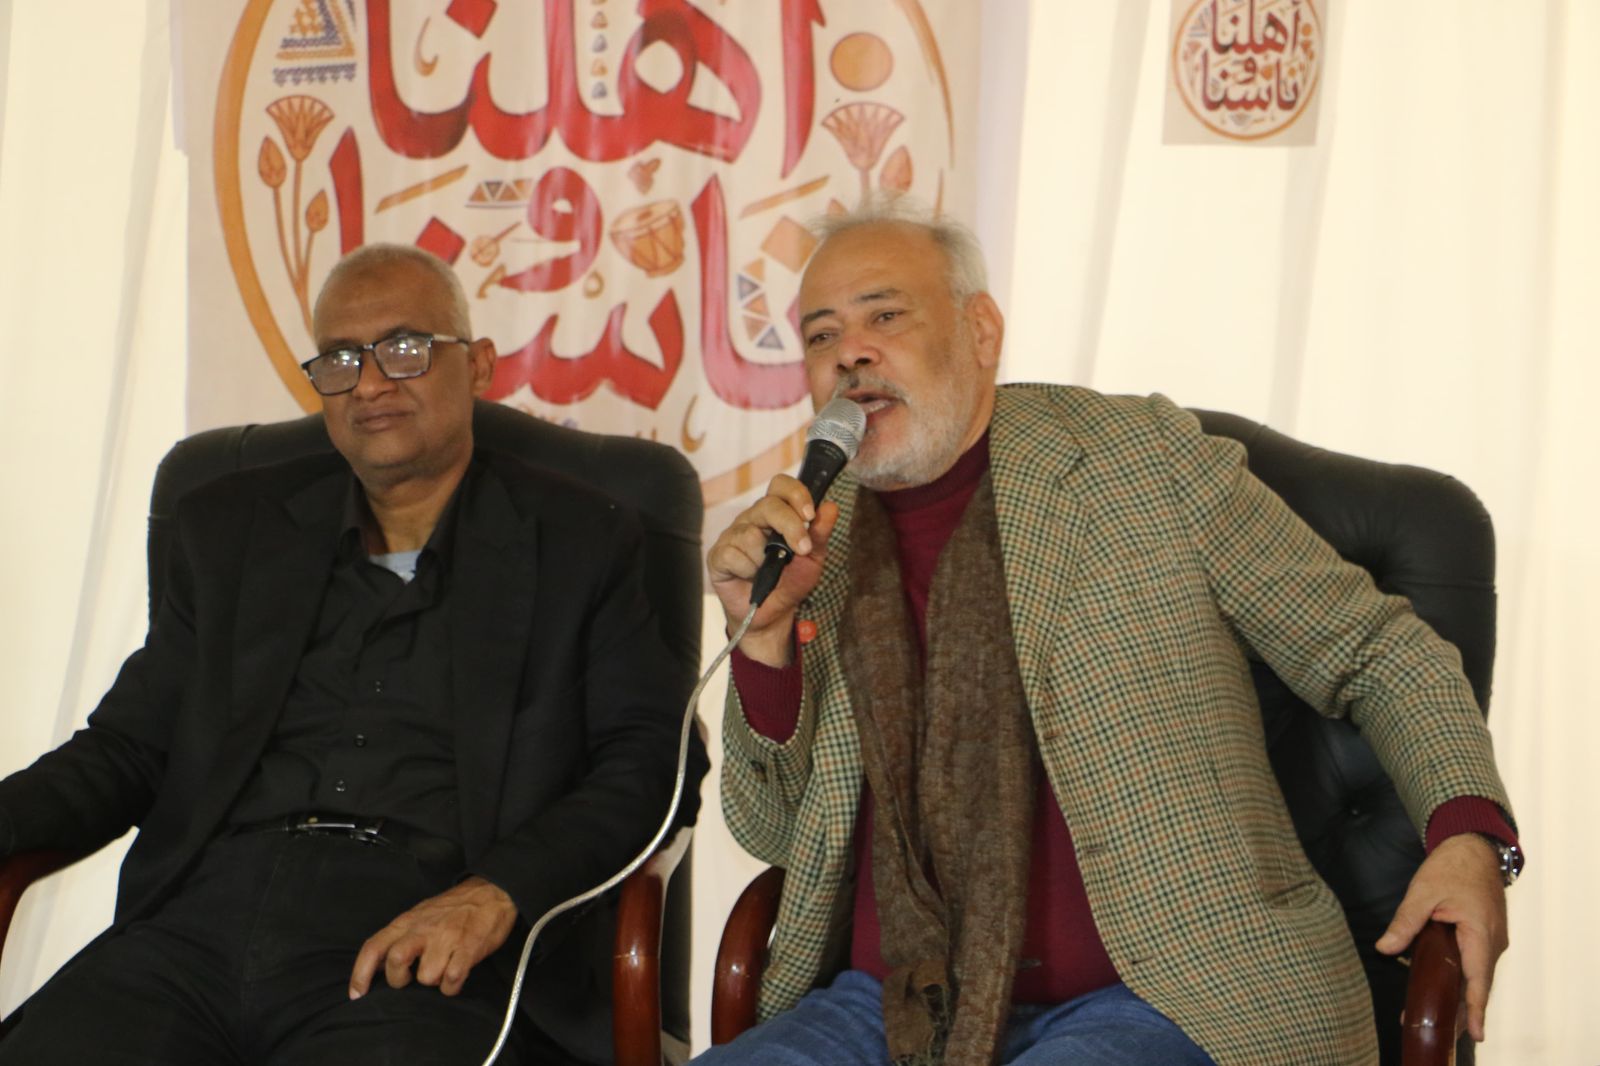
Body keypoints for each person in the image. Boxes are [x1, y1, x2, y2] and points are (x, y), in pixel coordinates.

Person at [699, 202, 1519, 1066]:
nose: (851, 353)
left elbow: (1377, 652)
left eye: (886, 316)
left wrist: (1467, 832)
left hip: (1173, 995)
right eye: (822, 335)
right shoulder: (811, 547)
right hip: (895, 1002)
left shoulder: (1140, 459)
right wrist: (763, 640)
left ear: (981, 331)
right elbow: (776, 837)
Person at [0, 244, 706, 1066]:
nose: (369, 383)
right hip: (197, 929)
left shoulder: (581, 540)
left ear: (478, 364)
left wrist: (499, 891)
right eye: (339, 359)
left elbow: (654, 762)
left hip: (422, 946)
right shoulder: (232, 529)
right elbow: (127, 748)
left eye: (404, 348)